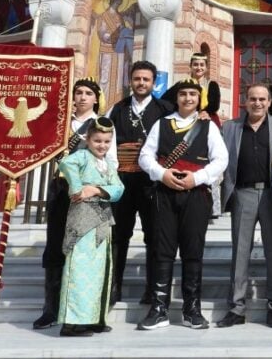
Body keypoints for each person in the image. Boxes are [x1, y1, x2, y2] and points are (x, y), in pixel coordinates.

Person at [137, 78, 229, 330]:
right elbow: (145, 156)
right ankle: (158, 308)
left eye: (192, 94)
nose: (188, 98)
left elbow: (221, 159)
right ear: (176, 98)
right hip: (164, 194)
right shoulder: (162, 124)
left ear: (199, 99)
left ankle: (192, 309)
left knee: (192, 251)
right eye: (183, 94)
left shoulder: (207, 127)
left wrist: (196, 178)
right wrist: (162, 174)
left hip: (196, 194)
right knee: (162, 250)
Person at [33, 78, 116, 330]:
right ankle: (51, 308)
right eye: (78, 92)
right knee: (56, 245)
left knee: (87, 252)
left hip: (89, 196)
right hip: (61, 190)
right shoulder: (59, 123)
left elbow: (111, 161)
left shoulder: (102, 125)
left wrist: (94, 188)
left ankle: (89, 312)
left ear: (96, 98)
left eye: (88, 93)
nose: (82, 97)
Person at [216, 83, 272, 328]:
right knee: (240, 252)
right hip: (242, 194)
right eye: (253, 99)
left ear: (269, 102)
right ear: (245, 101)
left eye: (262, 99)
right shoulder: (230, 127)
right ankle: (236, 308)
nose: (257, 103)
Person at [106, 61, 174, 306]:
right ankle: (113, 288)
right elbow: (107, 143)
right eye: (137, 79)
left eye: (146, 79)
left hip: (151, 183)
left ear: (153, 82)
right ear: (130, 81)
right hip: (122, 180)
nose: (141, 83)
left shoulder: (165, 109)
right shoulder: (117, 109)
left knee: (154, 235)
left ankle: (152, 290)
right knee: (118, 235)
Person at [57, 116, 124, 337]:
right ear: (88, 139)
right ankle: (71, 322)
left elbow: (118, 188)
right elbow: (65, 163)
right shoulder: (82, 156)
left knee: (100, 267)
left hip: (103, 216)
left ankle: (93, 318)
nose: (102, 146)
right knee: (80, 265)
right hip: (83, 215)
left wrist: (96, 189)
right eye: (97, 141)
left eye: (106, 142)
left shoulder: (109, 164)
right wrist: (77, 189)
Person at [163, 53, 222, 217]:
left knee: (210, 160)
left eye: (202, 65)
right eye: (195, 64)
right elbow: (166, 100)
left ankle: (211, 206)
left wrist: (203, 112)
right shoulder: (182, 84)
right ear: (191, 66)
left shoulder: (212, 84)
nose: (199, 68)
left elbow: (215, 104)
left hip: (205, 119)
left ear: (206, 67)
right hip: (184, 122)